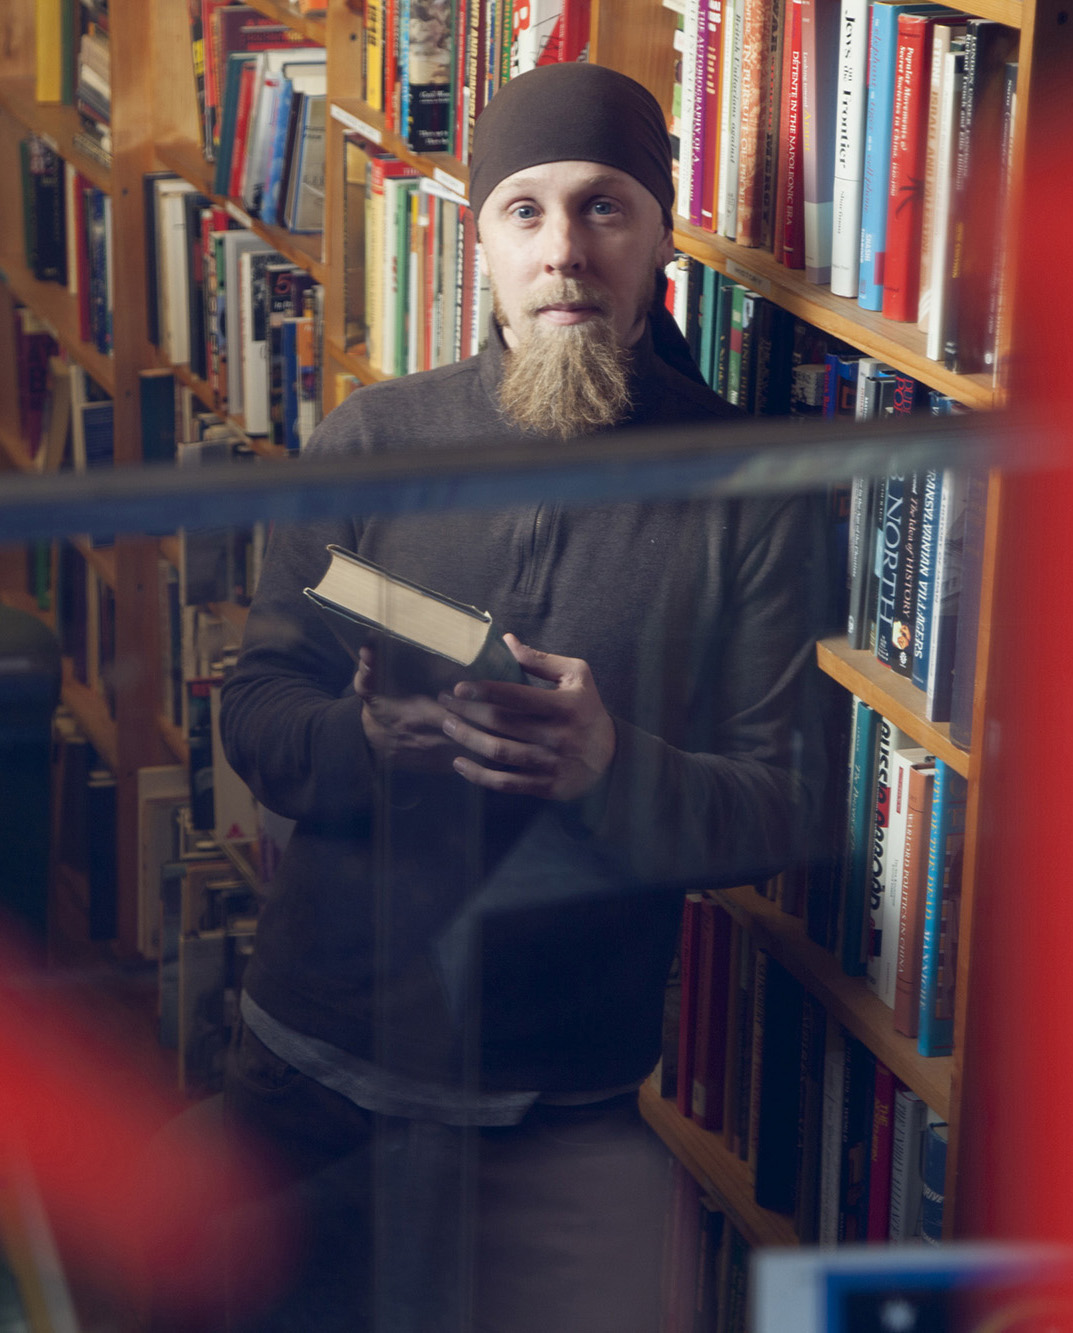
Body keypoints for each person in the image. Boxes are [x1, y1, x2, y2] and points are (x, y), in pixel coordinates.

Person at [218, 61, 824, 1333]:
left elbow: (782, 807)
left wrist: (615, 765)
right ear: (480, 240)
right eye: (525, 211)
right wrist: (363, 736)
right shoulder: (372, 442)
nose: (564, 250)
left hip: (559, 1111)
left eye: (604, 207)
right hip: (308, 1069)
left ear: (662, 237)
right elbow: (261, 708)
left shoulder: (751, 492)